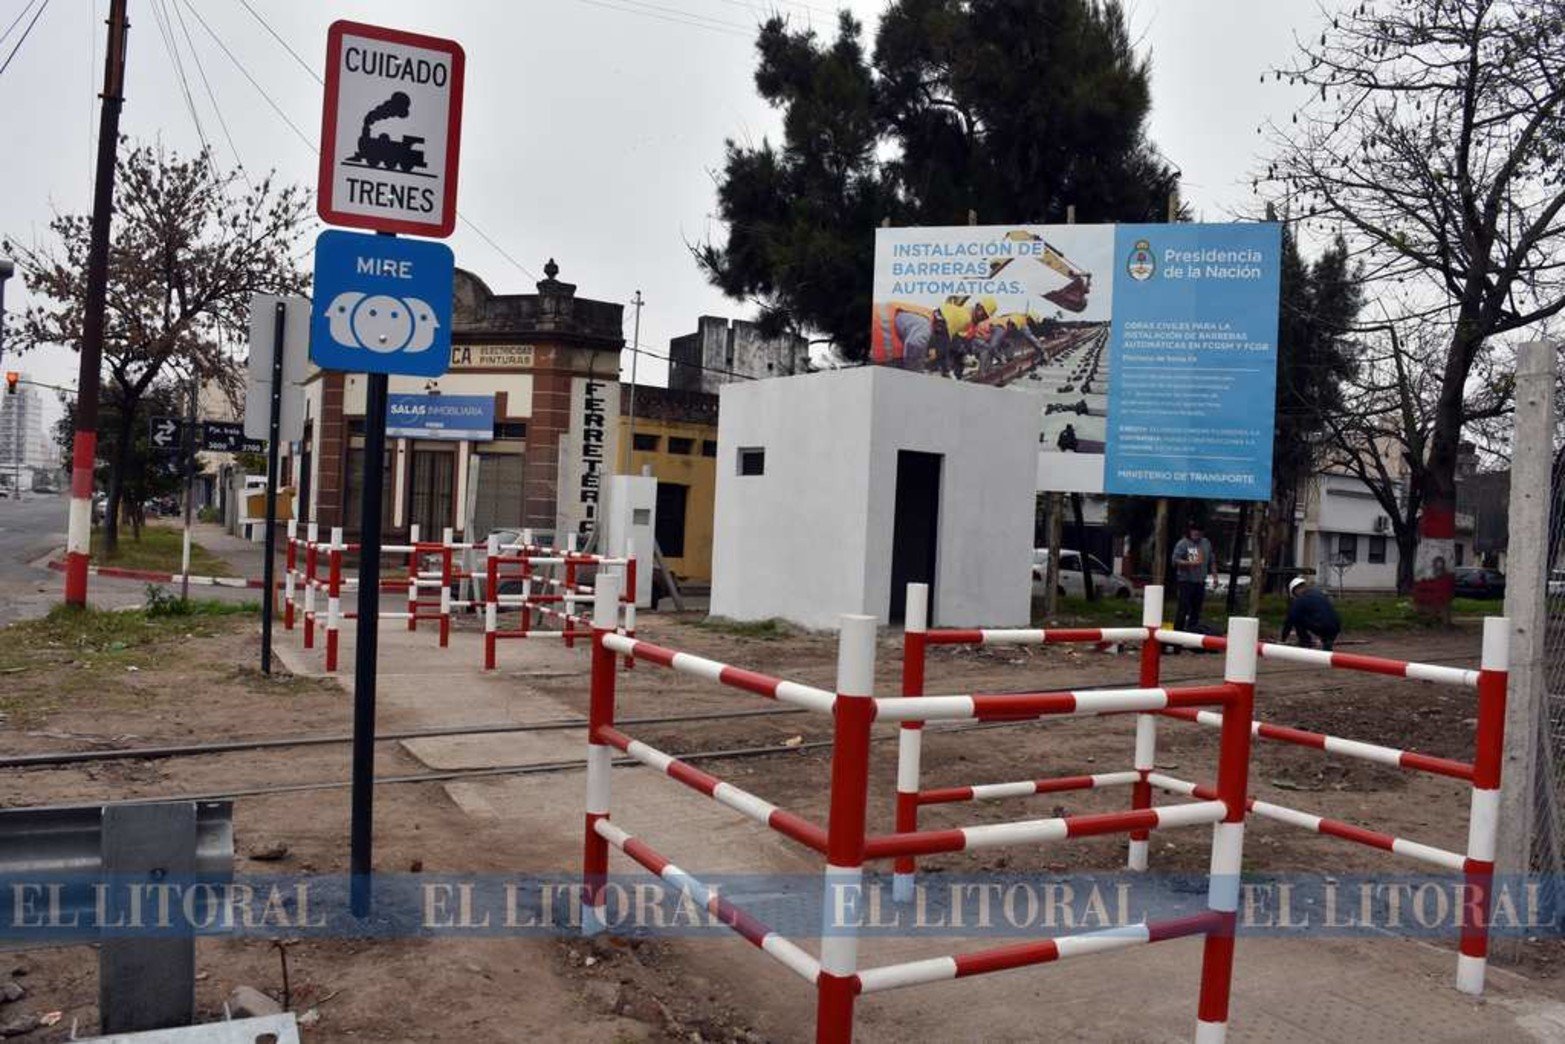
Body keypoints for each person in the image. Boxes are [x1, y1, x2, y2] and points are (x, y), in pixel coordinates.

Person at [1171, 522, 1214, 635]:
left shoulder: (1206, 543)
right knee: (1183, 608)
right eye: (1194, 530)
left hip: (1200, 581)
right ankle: (1177, 633)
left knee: (1196, 609)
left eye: (1199, 531)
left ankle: (1192, 632)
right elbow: (1175, 560)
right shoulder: (1183, 543)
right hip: (1186, 581)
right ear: (1190, 531)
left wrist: (1215, 576)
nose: (1196, 533)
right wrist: (1188, 563)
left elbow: (1211, 560)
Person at [1281, 576, 1342, 650]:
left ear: (1296, 590)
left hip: (1323, 626)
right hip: (1336, 626)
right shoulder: (1318, 593)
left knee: (1297, 618)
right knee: (1324, 631)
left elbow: (1289, 621)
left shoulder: (1300, 600)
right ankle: (1327, 643)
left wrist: (1283, 639)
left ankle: (1305, 641)